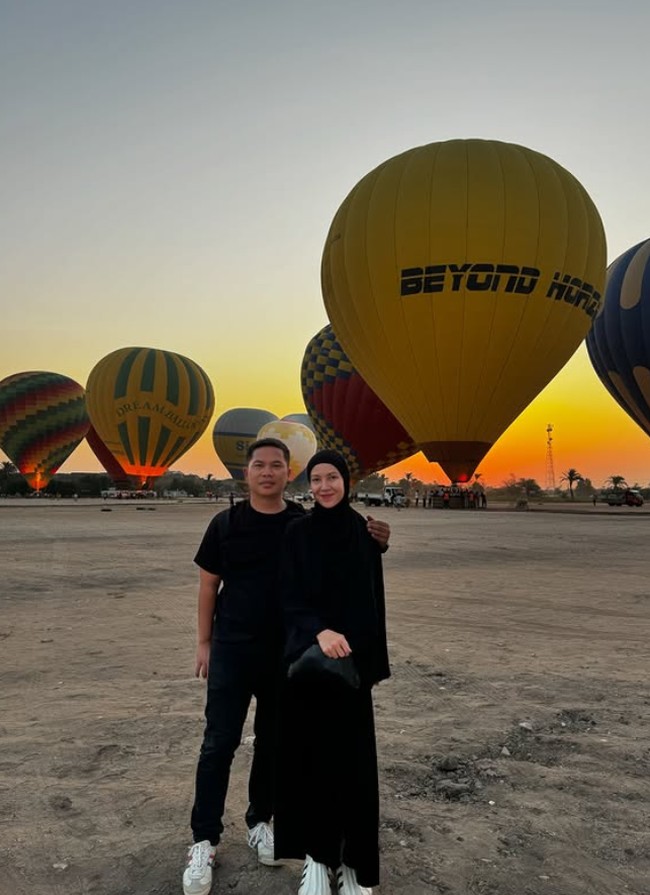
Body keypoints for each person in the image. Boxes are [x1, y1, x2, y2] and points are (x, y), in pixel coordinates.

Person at [182, 438, 306, 895]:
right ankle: (203, 840)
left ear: (288, 473)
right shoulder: (225, 524)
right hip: (233, 649)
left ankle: (260, 822)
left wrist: (380, 540)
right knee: (219, 743)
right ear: (246, 473)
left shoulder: (302, 524)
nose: (268, 472)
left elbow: (342, 557)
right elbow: (208, 587)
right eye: (259, 465)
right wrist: (203, 642)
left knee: (273, 742)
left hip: (285, 655)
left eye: (277, 465)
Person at [274, 449, 391, 895]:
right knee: (311, 765)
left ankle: (356, 866)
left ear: (347, 482)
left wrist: (355, 650)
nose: (324, 486)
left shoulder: (365, 534)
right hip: (307, 667)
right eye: (316, 479)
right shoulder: (296, 532)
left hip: (350, 672)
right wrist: (318, 630)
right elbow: (287, 595)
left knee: (354, 770)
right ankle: (319, 862)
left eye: (332, 478)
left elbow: (371, 603)